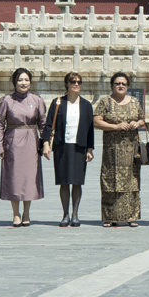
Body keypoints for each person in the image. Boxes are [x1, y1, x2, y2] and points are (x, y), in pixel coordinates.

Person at [0, 68, 46, 227]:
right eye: (20, 80)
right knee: (14, 177)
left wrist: (45, 144)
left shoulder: (37, 101)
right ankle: (15, 213)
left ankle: (27, 212)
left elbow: (43, 125)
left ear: (30, 82)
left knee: (29, 178)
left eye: (26, 80)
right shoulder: (6, 101)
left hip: (31, 141)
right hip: (13, 141)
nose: (23, 83)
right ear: (14, 82)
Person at [41, 71, 94, 228]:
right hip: (62, 146)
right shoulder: (58, 102)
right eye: (73, 81)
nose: (76, 84)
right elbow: (49, 124)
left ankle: (75, 214)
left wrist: (90, 149)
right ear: (67, 84)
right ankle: (65, 214)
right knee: (64, 182)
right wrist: (45, 143)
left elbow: (90, 129)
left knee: (77, 182)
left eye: (78, 81)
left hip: (80, 146)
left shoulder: (86, 105)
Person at [93, 71, 145, 227]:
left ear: (127, 86)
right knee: (110, 180)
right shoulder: (105, 102)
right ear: (112, 86)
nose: (121, 86)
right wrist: (116, 126)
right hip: (112, 150)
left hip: (132, 149)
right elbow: (96, 122)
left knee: (132, 181)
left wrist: (138, 123)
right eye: (118, 83)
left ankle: (131, 216)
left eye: (123, 83)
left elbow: (142, 119)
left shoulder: (135, 102)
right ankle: (110, 217)